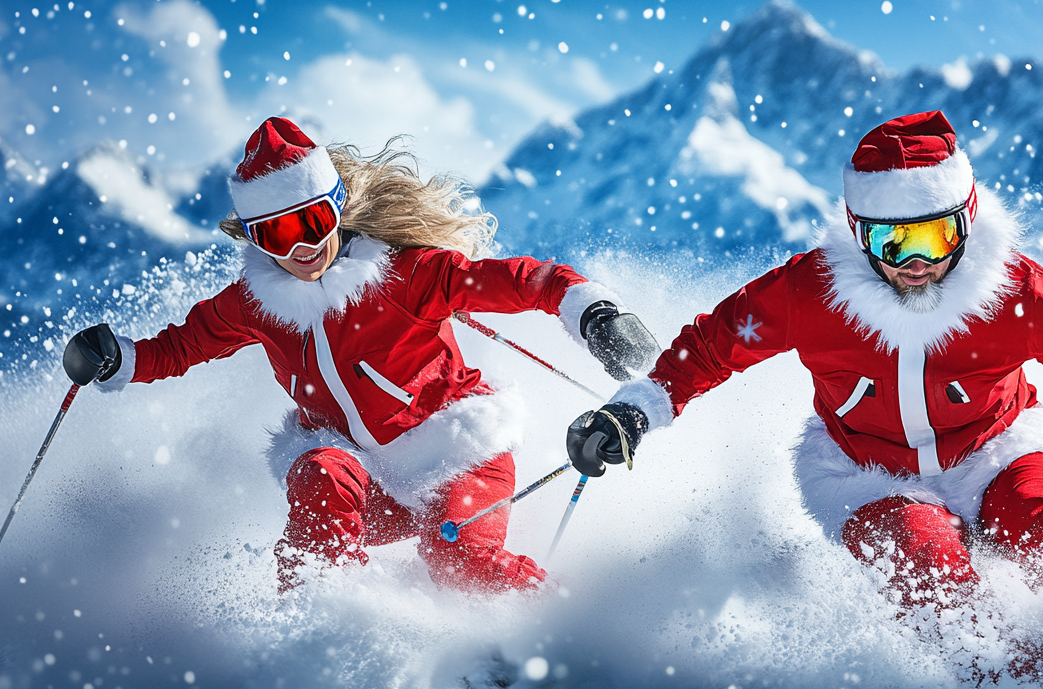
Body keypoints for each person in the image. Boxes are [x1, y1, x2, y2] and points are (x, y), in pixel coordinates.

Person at [565, 111, 1043, 669]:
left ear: (965, 220)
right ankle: (1015, 663)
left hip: (996, 453)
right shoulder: (810, 293)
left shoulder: (1014, 292)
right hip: (867, 471)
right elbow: (711, 346)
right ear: (859, 233)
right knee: (921, 556)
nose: (916, 262)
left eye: (936, 236)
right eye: (891, 239)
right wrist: (633, 412)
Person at [63, 116, 658, 594]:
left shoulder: (409, 277)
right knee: (318, 473)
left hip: (457, 454)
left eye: (315, 221)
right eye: (276, 235)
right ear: (255, 239)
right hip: (366, 482)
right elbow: (181, 345)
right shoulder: (254, 304)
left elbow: (526, 281)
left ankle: (550, 623)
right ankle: (328, 633)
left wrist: (594, 313)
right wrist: (119, 358)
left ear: (338, 209)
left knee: (457, 560)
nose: (301, 247)